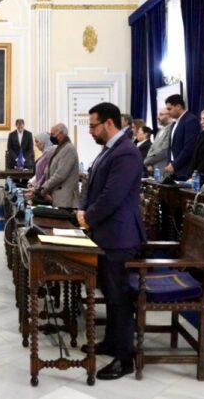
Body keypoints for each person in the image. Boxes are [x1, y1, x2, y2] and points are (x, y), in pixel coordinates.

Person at [76, 102, 144, 380]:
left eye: (93, 125)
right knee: (110, 294)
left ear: (109, 124)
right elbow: (91, 184)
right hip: (104, 234)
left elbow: (113, 196)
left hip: (119, 236)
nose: (90, 130)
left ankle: (124, 358)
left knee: (120, 298)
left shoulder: (126, 152)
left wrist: (88, 218)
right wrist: (83, 210)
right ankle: (112, 342)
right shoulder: (109, 150)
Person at [38, 123, 79, 208]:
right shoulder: (61, 148)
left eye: (53, 134)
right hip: (58, 199)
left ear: (61, 134)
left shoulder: (69, 149)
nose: (51, 137)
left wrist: (44, 188)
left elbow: (60, 175)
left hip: (65, 201)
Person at [164, 94, 201, 180]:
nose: (168, 112)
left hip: (185, 170)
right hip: (173, 170)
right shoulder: (174, 123)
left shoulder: (191, 120)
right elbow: (171, 147)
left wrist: (175, 164)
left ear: (178, 106)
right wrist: (170, 164)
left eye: (170, 109)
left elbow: (189, 147)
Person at [143, 108, 174, 177]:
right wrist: (148, 162)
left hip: (164, 168)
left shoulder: (172, 129)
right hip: (154, 168)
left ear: (169, 115)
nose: (157, 117)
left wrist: (147, 161)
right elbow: (152, 147)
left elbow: (164, 149)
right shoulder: (160, 130)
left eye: (161, 115)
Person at [26, 132, 55, 196]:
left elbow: (45, 174)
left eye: (37, 142)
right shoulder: (46, 152)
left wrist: (36, 187)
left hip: (46, 191)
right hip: (40, 189)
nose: (35, 145)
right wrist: (32, 183)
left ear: (43, 141)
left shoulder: (49, 152)